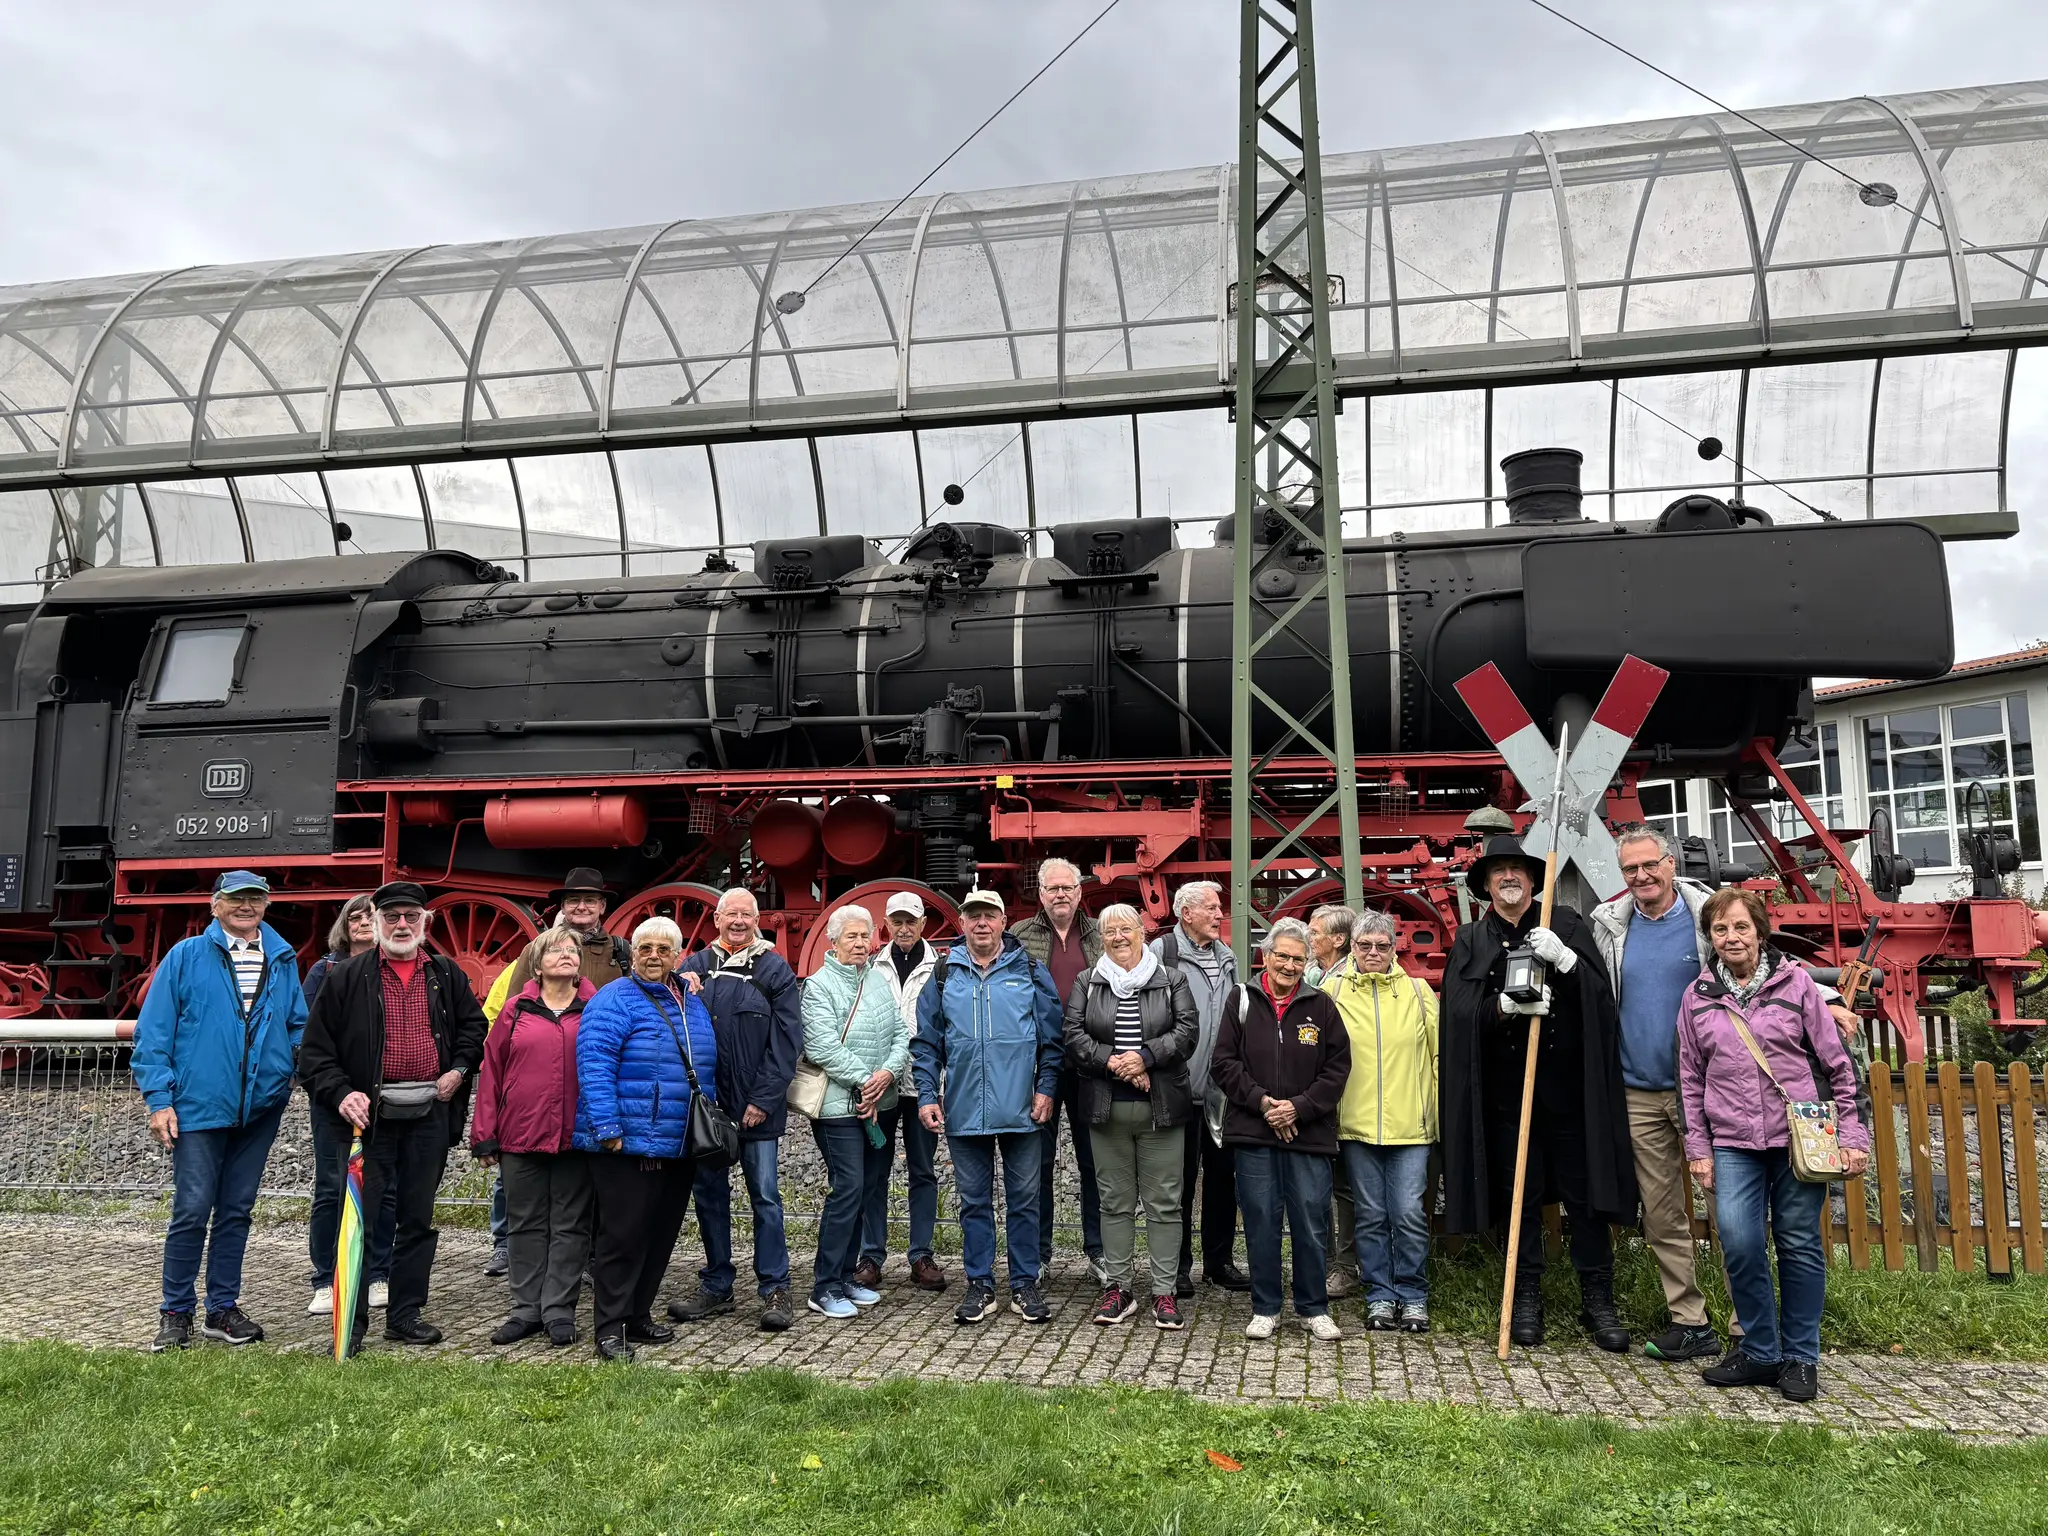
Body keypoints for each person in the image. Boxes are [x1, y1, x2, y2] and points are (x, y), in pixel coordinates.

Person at [1440, 836, 1637, 1352]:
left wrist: (1568, 963)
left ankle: (1599, 1299)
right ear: (1485, 884)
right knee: (1518, 1203)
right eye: (1498, 871)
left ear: (1533, 880)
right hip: (1507, 1102)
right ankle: (1525, 1296)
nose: (1509, 878)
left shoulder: (1566, 925)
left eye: (1517, 871)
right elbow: (1459, 1019)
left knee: (1586, 1200)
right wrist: (1503, 1007)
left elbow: (1601, 1002)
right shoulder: (1471, 940)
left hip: (1569, 1097)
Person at [1681, 887, 1869, 1403]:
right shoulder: (1697, 997)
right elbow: (1691, 1078)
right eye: (1720, 929)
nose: (1731, 938)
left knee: (1799, 1243)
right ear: (1710, 938)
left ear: (1759, 931)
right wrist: (1698, 1147)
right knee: (1739, 1243)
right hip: (1733, 1141)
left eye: (1741, 927)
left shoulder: (1799, 986)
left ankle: (1801, 1357)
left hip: (1798, 1137)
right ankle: (1761, 1351)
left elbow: (1837, 1064)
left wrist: (1852, 1135)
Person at [300, 881, 488, 1354]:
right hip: (370, 1121)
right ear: (376, 922)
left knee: (417, 1219)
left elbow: (474, 1028)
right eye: (391, 917)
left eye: (410, 916)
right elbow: (315, 1053)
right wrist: (343, 1094)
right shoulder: (346, 977)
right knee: (358, 1220)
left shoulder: (446, 974)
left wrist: (460, 1070)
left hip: (429, 1116)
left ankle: (405, 1314)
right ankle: (353, 1323)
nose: (401, 925)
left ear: (425, 922)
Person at [134, 870, 307, 1352]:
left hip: (260, 1108)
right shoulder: (186, 956)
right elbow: (154, 1033)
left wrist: (285, 1074)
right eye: (235, 899)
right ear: (215, 905)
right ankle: (174, 1312)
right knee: (191, 1210)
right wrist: (160, 1100)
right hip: (199, 1106)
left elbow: (298, 1024)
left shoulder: (282, 957)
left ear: (267, 905)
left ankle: (222, 1309)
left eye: (255, 898)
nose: (246, 906)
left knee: (236, 1211)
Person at [1589, 825, 1721, 1363]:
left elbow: (1762, 968)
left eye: (1649, 865)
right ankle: (1689, 1320)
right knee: (1662, 1213)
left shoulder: (1707, 920)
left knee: (1728, 1208)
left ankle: (1749, 1322)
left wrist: (1828, 1000)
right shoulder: (1609, 929)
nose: (1641, 876)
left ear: (1672, 864)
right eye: (1630, 869)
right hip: (1639, 1092)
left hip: (1708, 1090)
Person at [912, 887, 1063, 1325]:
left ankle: (1023, 1283)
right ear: (962, 922)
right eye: (973, 915)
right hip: (963, 1109)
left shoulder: (1030, 971)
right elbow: (926, 1044)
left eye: (989, 915)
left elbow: (1052, 1043)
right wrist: (926, 1095)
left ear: (1003, 922)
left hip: (1022, 1109)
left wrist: (1046, 1089)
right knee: (973, 1202)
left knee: (1025, 1200)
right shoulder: (943, 975)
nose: (981, 923)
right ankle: (980, 1284)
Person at [575, 917, 719, 1362]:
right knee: (621, 1238)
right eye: (645, 948)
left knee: (659, 1235)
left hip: (677, 1142)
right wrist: (608, 1128)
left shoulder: (690, 1001)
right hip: (628, 1141)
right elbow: (594, 1063)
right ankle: (609, 1328)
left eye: (663, 948)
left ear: (678, 956)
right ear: (633, 953)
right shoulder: (614, 999)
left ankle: (637, 1315)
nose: (654, 955)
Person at [479, 867, 631, 1277]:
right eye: (573, 900)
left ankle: (583, 1253)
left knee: (583, 1173)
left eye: (590, 900)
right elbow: (512, 1012)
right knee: (518, 1168)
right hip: (535, 1071)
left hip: (588, 1075)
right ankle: (506, 1244)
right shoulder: (537, 949)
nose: (581, 907)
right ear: (563, 907)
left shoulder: (619, 951)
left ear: (602, 907)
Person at [668, 888, 802, 1333]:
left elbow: (786, 1044)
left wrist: (763, 1101)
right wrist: (677, 988)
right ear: (716, 919)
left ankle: (775, 1286)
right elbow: (674, 1030)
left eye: (746, 914)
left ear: (757, 919)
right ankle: (718, 1283)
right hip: (708, 1108)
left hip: (755, 1108)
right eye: (731, 915)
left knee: (765, 1196)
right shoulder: (694, 967)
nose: (738, 922)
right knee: (709, 1195)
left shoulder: (773, 968)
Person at [1212, 917, 1351, 1341]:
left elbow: (1338, 1068)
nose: (1289, 966)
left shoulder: (1321, 1005)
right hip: (1255, 1132)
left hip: (1307, 1135)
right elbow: (1223, 1063)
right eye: (1282, 957)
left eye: (1298, 958)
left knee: (1311, 1222)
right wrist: (1263, 1103)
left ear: (1307, 961)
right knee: (1260, 1220)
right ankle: (1266, 1307)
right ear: (1265, 956)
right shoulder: (1241, 999)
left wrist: (1299, 1108)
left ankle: (1313, 1308)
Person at [1063, 903, 1198, 1330]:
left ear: (1142, 931)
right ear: (1101, 938)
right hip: (1107, 1109)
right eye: (1109, 931)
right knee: (1115, 1203)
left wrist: (1143, 1057)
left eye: (1126, 928)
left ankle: (1164, 1292)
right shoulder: (1088, 980)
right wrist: (1114, 1063)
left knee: (1164, 1204)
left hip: (1161, 1110)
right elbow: (1073, 1034)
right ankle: (1118, 1289)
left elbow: (1186, 1031)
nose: (1118, 937)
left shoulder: (1171, 979)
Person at [472, 926, 597, 1348]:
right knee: (523, 1225)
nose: (567, 955)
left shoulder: (595, 1007)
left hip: (576, 1135)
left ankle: (559, 1309)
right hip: (519, 1133)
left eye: (572, 949)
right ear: (537, 964)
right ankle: (525, 1309)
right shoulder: (515, 1009)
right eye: (556, 950)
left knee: (570, 1224)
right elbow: (492, 1071)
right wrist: (484, 1133)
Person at [1323, 909, 1438, 1332]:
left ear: (1394, 948)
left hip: (1411, 1125)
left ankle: (1412, 1293)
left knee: (1408, 1212)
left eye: (1382, 945)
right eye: (1364, 945)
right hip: (1356, 1124)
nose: (1373, 952)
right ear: (1351, 947)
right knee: (1370, 1214)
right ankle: (1379, 1294)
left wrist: (1437, 1118)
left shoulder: (1417, 991)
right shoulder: (1331, 992)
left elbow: (1437, 1057)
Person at [800, 905, 912, 1319]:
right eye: (851, 937)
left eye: (865, 937)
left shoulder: (879, 981)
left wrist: (887, 1073)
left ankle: (846, 1277)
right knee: (846, 1189)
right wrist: (868, 1080)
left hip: (876, 1103)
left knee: (864, 1189)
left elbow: (902, 1034)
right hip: (838, 1108)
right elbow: (823, 1046)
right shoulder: (818, 986)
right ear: (833, 942)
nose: (860, 944)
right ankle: (824, 1285)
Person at [1012, 858, 1107, 1286]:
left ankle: (1099, 1252)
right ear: (1041, 894)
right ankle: (1039, 1254)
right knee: (1038, 1163)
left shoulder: (1101, 935)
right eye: (1053, 889)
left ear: (1080, 891)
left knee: (1096, 1162)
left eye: (1068, 887)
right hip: (1037, 1067)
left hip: (1092, 1066)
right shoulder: (1018, 937)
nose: (1061, 895)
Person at [1150, 880, 1248, 1295]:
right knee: (1179, 1182)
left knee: (1224, 1178)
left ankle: (1219, 1261)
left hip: (1220, 1092)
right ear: (1185, 914)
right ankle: (1176, 1266)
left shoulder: (1228, 958)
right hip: (1176, 1087)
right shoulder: (1162, 953)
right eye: (1210, 908)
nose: (1219, 914)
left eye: (1219, 907)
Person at [304, 893, 397, 1319]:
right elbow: (308, 1038)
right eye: (355, 916)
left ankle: (378, 1271)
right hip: (334, 1096)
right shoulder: (323, 971)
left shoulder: (397, 968)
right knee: (331, 1187)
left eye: (370, 916)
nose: (363, 922)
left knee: (385, 1188)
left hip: (386, 1096)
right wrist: (335, 1089)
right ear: (344, 924)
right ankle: (326, 1278)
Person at [861, 891, 947, 1291]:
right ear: (887, 924)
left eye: (910, 921)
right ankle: (871, 1255)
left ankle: (921, 1254)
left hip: (923, 1085)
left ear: (923, 923)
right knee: (874, 1173)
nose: (904, 928)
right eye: (896, 921)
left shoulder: (941, 967)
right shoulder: (871, 966)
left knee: (923, 1171)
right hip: (881, 1085)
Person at [1305, 902, 1359, 1298]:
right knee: (1322, 1187)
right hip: (1319, 1098)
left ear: (1338, 940)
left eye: (1315, 931)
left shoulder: (1348, 981)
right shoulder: (1320, 976)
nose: (1309, 937)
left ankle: (1344, 1267)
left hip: (1343, 1097)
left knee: (1342, 1188)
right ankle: (1323, 1264)